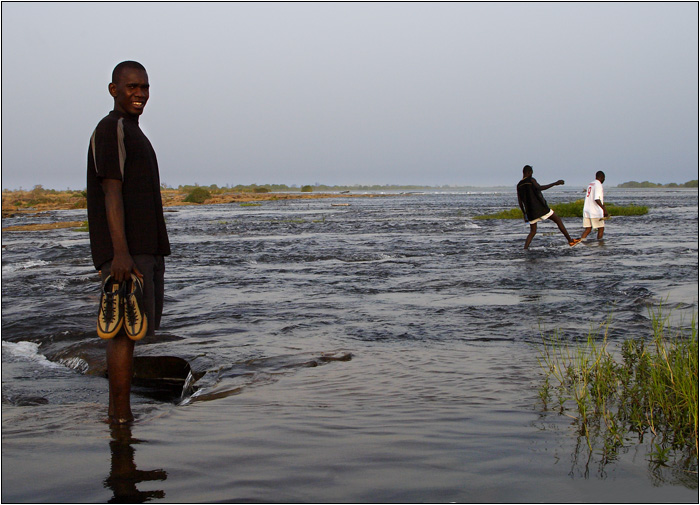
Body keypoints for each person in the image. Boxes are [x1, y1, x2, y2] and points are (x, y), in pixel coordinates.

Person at [87, 61, 171, 424]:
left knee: (132, 330)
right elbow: (111, 192)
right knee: (121, 332)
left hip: (142, 248)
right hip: (127, 252)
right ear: (113, 89)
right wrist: (119, 252)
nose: (139, 94)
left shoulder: (133, 131)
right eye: (132, 87)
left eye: (145, 87)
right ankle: (120, 418)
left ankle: (120, 415)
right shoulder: (112, 129)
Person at [517, 165, 581, 249]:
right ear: (529, 172)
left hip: (530, 212)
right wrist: (555, 183)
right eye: (531, 173)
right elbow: (540, 188)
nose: (532, 174)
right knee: (558, 220)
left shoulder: (519, 185)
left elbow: (520, 202)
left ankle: (525, 249)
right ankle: (570, 241)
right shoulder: (531, 180)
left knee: (532, 232)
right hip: (540, 209)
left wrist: (524, 214)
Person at [580, 171, 608, 240]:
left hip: (586, 210)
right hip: (594, 211)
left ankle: (581, 242)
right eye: (604, 179)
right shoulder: (598, 184)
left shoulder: (591, 184)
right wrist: (604, 210)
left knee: (588, 229)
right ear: (602, 178)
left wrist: (603, 205)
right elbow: (597, 199)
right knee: (601, 228)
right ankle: (599, 244)